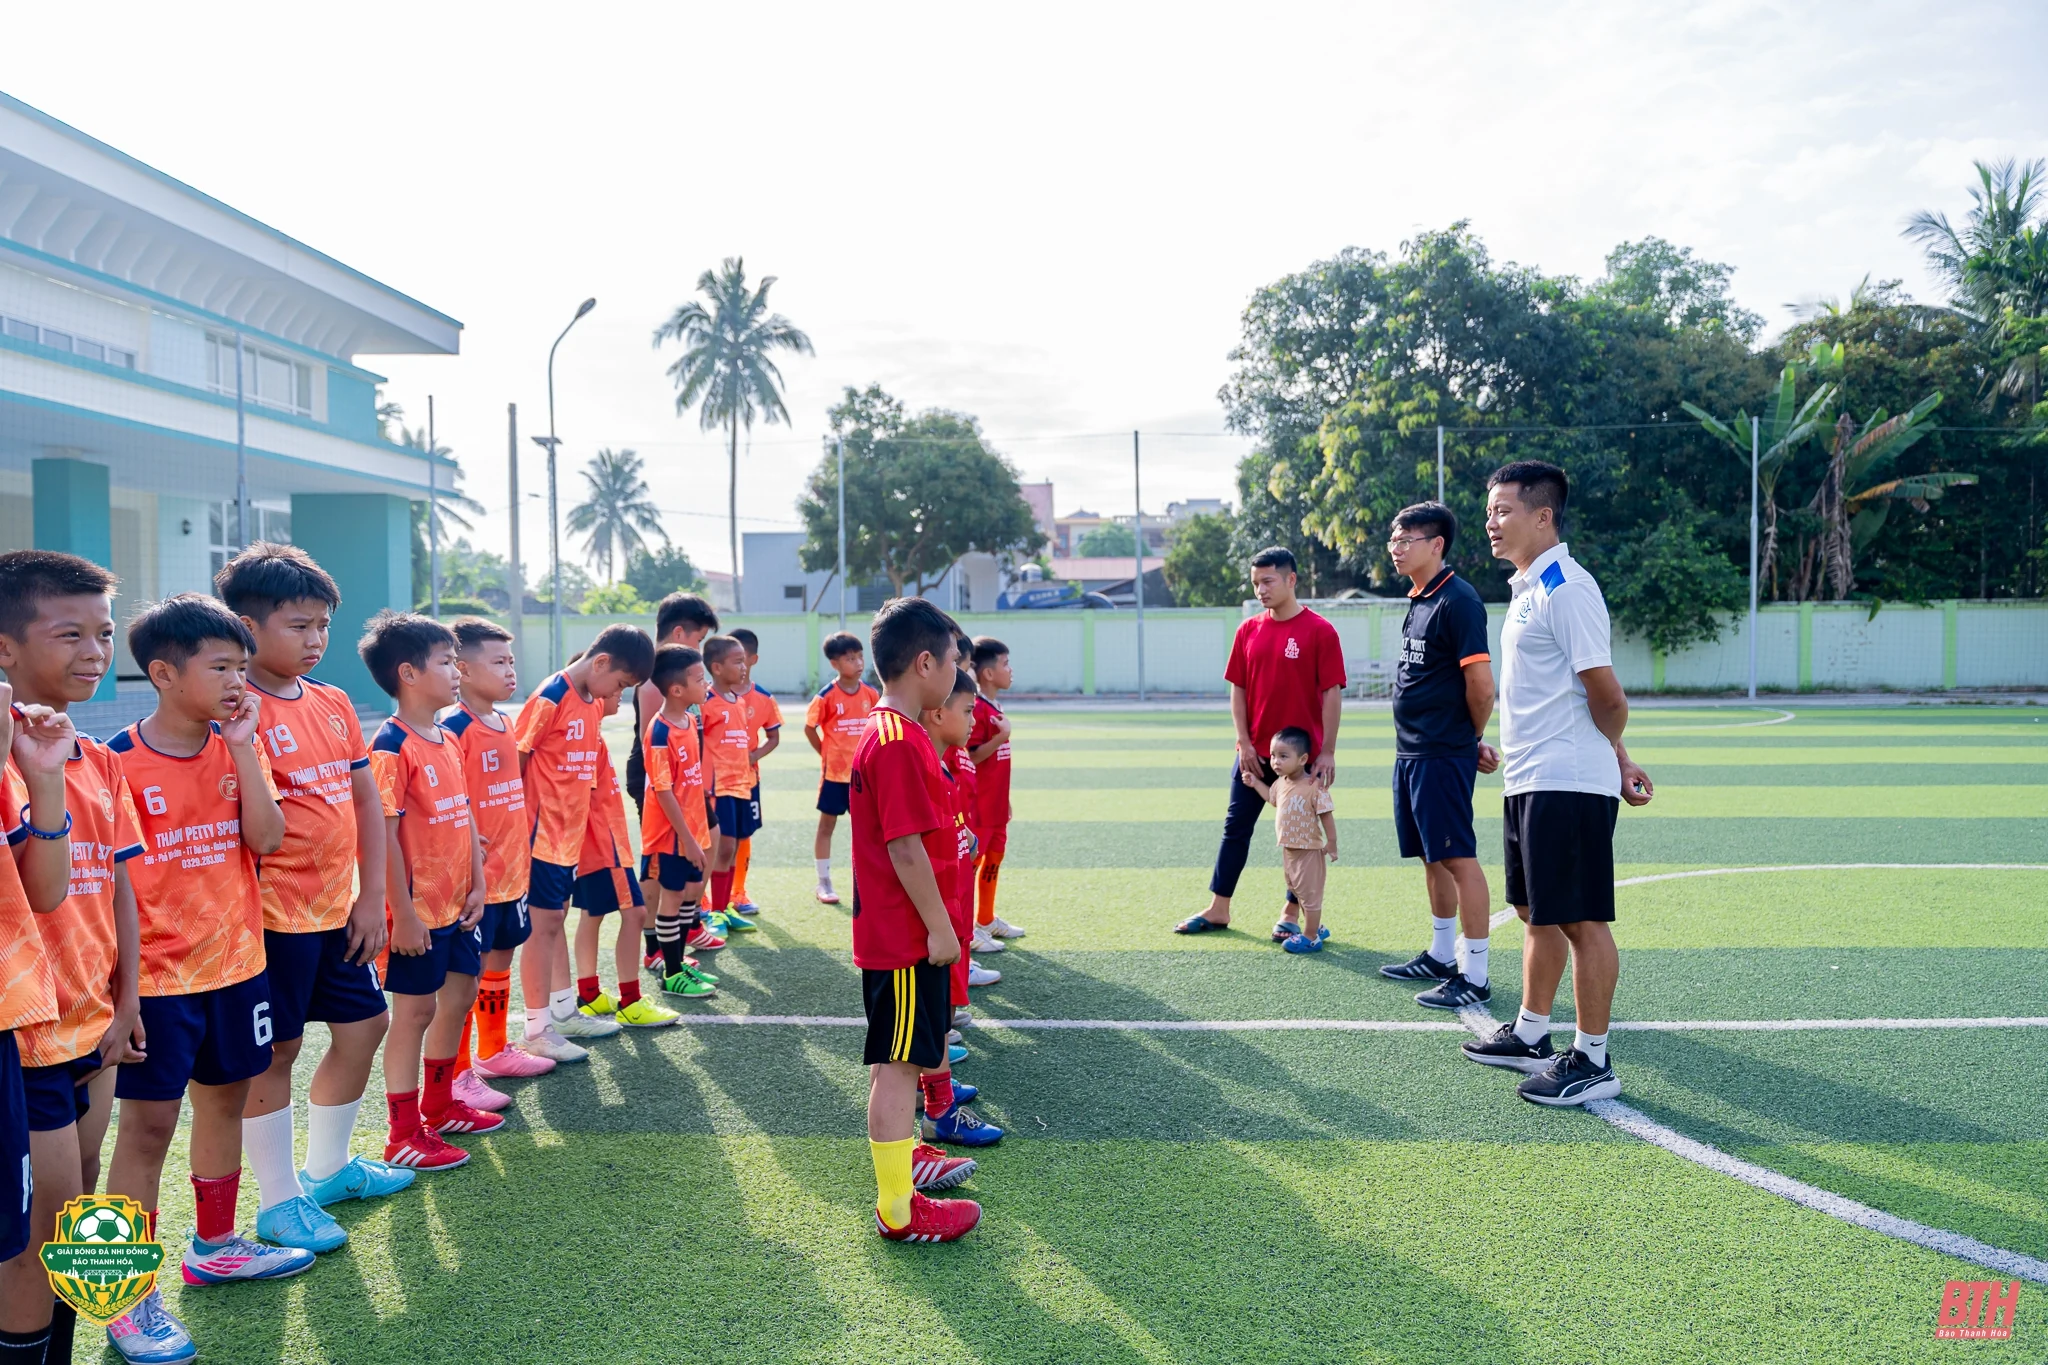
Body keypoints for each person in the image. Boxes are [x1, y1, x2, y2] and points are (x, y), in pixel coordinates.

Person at [104, 594, 313, 1362]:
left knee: (224, 1098)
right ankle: (126, 1296)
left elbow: (265, 838)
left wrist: (248, 750)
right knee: (148, 1130)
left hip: (236, 966)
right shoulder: (116, 762)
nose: (237, 682)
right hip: (156, 978)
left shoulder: (238, 746)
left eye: (242, 666)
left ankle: (217, 1242)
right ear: (163, 672)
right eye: (220, 666)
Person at [217, 544, 411, 1253]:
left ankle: (328, 1168)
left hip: (341, 908)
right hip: (272, 917)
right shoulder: (235, 709)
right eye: (298, 625)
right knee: (279, 1051)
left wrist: (373, 896)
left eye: (323, 625)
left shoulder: (330, 701)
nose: (315, 639)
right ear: (246, 625)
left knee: (366, 1025)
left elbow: (363, 796)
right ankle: (279, 1201)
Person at [1458, 462, 1654, 1106]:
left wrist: (1611, 753)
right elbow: (1566, 691)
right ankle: (1532, 1032)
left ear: (1543, 516)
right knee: (1532, 911)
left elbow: (1606, 693)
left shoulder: (1567, 588)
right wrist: (1621, 758)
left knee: (1580, 919)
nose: (1492, 521)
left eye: (1504, 510)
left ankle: (1593, 1058)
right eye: (1490, 511)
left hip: (1567, 781)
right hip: (1532, 775)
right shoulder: (1527, 587)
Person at [0, 552, 131, 1365]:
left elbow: (118, 887)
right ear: (6, 647)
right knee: (36, 1221)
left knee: (82, 1200)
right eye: (71, 633)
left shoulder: (98, 755)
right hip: (27, 1029)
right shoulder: (12, 758)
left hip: (94, 1014)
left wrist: (131, 999)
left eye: (104, 633)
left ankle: (66, 1345)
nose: (94, 651)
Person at [850, 598, 981, 1243]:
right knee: (900, 1067)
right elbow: (904, 848)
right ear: (924, 662)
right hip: (907, 938)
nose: (958, 673)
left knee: (894, 1063)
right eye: (954, 660)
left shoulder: (895, 733)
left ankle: (904, 1168)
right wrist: (940, 928)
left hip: (900, 933)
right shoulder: (898, 741)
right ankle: (898, 1209)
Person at [360, 612, 497, 1170]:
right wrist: (404, 915)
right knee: (413, 1015)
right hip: (418, 912)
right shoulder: (391, 743)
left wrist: (479, 883)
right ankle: (402, 1132)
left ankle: (440, 1106)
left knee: (461, 993)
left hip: (458, 903)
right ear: (409, 673)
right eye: (445, 662)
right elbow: (383, 836)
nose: (456, 671)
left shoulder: (445, 736)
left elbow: (464, 813)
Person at [1371, 504, 1504, 1010]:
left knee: (1457, 856)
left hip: (1440, 752)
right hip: (1412, 753)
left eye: (1406, 539)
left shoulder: (1459, 600)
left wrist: (1468, 739)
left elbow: (1481, 686)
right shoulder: (1419, 599)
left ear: (1437, 544)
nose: (1397, 547)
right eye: (1394, 539)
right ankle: (1441, 954)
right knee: (1431, 855)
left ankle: (1476, 973)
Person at [1175, 547, 1346, 935]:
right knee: (1236, 827)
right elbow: (1238, 689)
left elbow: (1331, 693)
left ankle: (1290, 914)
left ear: (1291, 580)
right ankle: (1219, 907)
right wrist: (1244, 743)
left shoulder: (1320, 631)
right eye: (1255, 583)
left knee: (1300, 838)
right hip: (1254, 755)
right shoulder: (1247, 630)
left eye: (1268, 581)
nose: (1261, 590)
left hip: (1302, 761)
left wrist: (1327, 752)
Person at [512, 623, 653, 1058]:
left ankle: (563, 1009)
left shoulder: (589, 701)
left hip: (568, 835)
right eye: (621, 684)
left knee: (558, 919)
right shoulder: (550, 697)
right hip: (539, 835)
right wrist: (513, 829)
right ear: (601, 662)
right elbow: (518, 759)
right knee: (544, 925)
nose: (620, 694)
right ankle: (537, 1030)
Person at [443, 617, 556, 1087]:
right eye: (498, 662)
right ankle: (459, 1072)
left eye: (511, 661)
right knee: (465, 981)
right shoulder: (453, 727)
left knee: (500, 960)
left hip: (513, 873)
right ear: (463, 670)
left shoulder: (505, 721)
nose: (511, 671)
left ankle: (492, 1051)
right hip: (475, 879)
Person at [920, 668, 1002, 1149]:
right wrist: (940, 926)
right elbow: (906, 850)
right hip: (915, 925)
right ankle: (937, 1114)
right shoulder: (905, 750)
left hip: (939, 907)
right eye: (969, 710)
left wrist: (962, 833)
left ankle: (936, 1095)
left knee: (922, 1023)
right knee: (914, 1028)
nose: (977, 720)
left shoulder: (939, 759)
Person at [569, 704, 679, 1028]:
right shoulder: (585, 735)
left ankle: (588, 995)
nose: (619, 694)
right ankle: (630, 1001)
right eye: (616, 686)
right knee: (635, 913)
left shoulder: (589, 733)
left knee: (592, 914)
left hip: (595, 840)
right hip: (603, 842)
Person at [631, 592, 717, 969]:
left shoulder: (683, 679)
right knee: (660, 863)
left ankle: (686, 922)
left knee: (699, 847)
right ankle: (655, 943)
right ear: (679, 633)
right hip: (661, 782)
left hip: (685, 784)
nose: (700, 648)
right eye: (698, 639)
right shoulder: (657, 683)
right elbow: (654, 748)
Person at [1237, 727, 1338, 953]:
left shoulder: (1313, 785)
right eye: (1273, 755)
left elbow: (1326, 814)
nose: (1276, 761)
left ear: (1302, 759)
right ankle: (1316, 927)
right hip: (1289, 850)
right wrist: (1255, 783)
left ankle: (1310, 937)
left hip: (1309, 850)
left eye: (1283, 756)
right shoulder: (1281, 783)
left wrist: (1331, 842)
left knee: (1310, 895)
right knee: (1299, 891)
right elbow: (1272, 800)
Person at [804, 630, 876, 905]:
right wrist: (825, 753)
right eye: (850, 658)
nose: (858, 663)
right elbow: (810, 727)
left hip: (864, 775)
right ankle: (823, 881)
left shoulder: (871, 693)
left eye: (860, 657)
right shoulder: (826, 697)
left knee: (868, 829)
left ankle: (867, 880)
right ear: (834, 663)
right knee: (827, 826)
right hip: (835, 775)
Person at [698, 636, 765, 929]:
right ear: (716, 667)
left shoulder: (738, 702)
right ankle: (712, 912)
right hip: (718, 788)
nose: (743, 667)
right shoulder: (706, 702)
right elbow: (699, 743)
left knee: (735, 846)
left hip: (742, 785)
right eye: (736, 662)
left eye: (744, 661)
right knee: (722, 848)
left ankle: (725, 909)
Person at [965, 638, 1021, 954]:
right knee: (971, 867)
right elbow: (970, 757)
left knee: (994, 861)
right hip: (979, 809)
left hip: (997, 806)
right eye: (1005, 664)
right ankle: (969, 931)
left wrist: (1006, 798)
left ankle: (985, 921)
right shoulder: (976, 710)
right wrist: (1001, 736)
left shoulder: (995, 707)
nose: (1010, 670)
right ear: (987, 673)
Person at [726, 627, 782, 915]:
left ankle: (738, 892)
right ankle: (707, 900)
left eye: (741, 658)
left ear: (753, 660)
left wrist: (754, 755)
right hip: (715, 784)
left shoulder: (763, 697)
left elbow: (773, 737)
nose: (737, 665)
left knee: (743, 836)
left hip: (748, 781)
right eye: (731, 658)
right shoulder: (707, 696)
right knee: (714, 838)